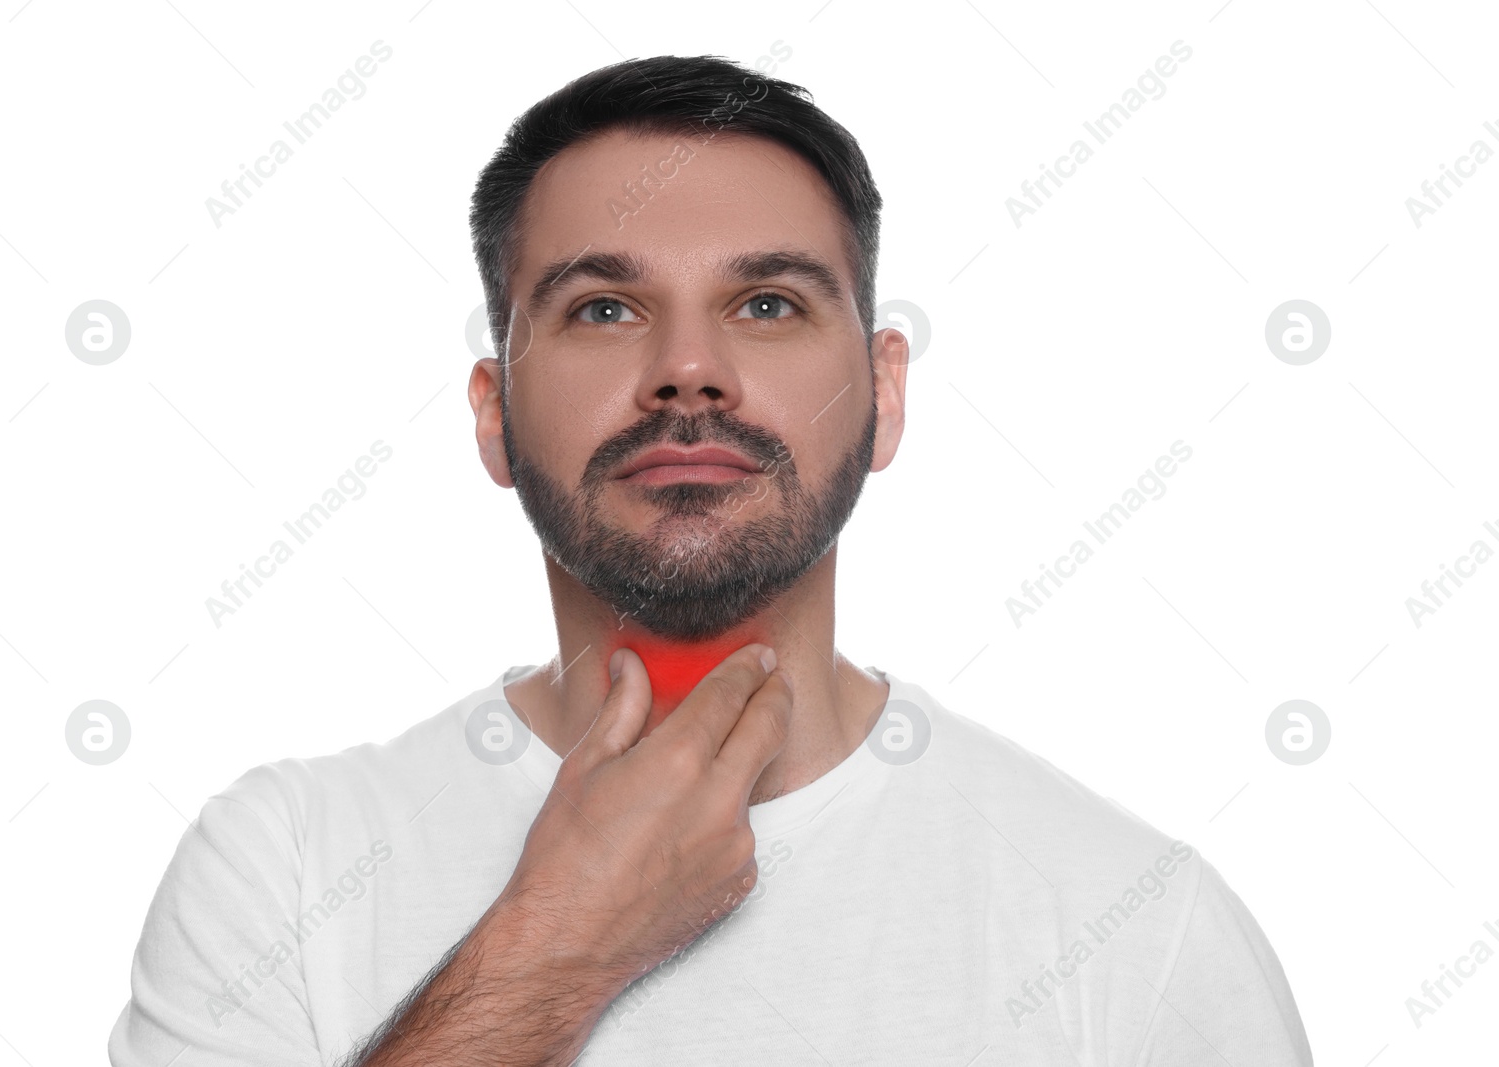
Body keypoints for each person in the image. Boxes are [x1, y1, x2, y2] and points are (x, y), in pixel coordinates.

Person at [109, 54, 1313, 1066]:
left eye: (770, 304)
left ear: (884, 395)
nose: (689, 371)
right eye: (603, 310)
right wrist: (556, 946)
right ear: (493, 411)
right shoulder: (282, 870)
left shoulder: (1136, 930)